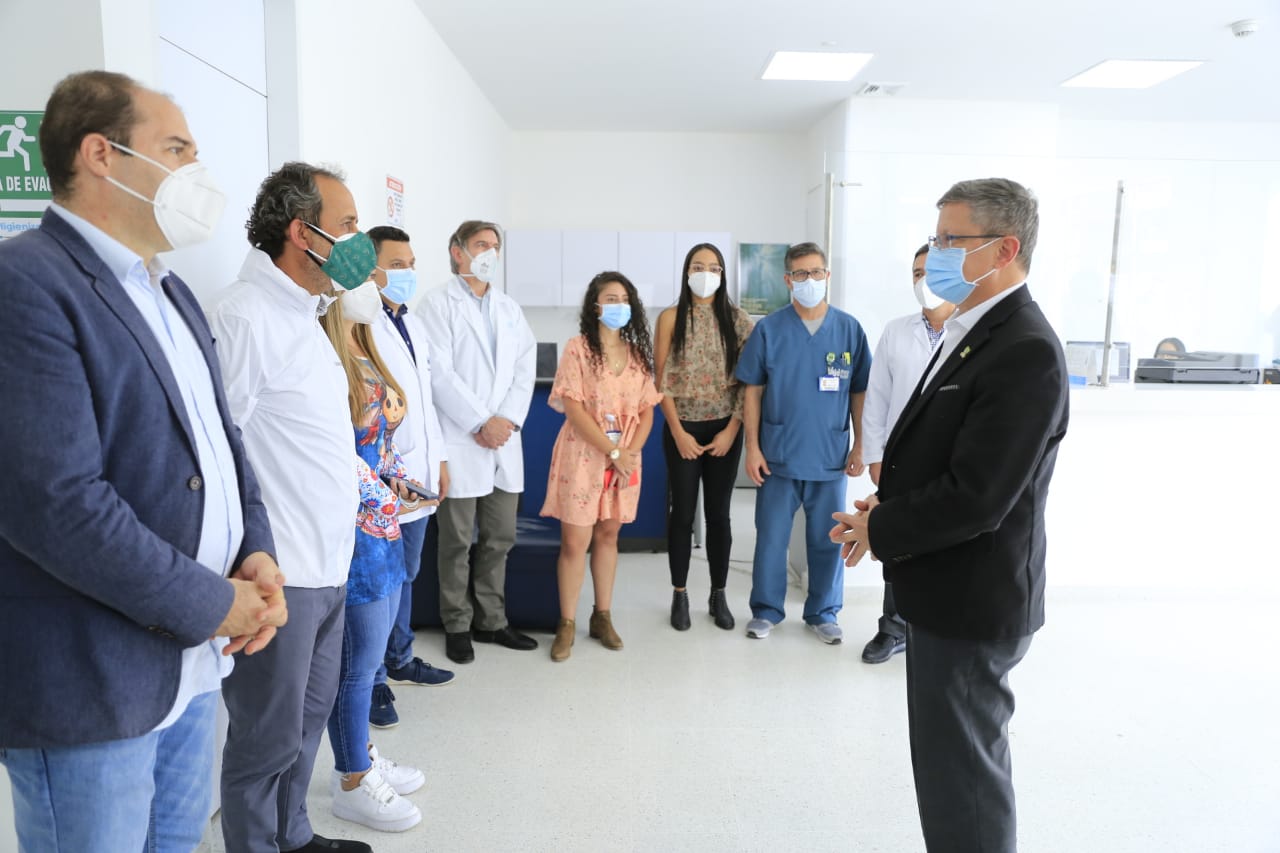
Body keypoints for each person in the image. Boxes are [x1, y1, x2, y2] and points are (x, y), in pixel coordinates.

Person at [0, 70, 284, 852]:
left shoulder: (171, 290)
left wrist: (254, 550)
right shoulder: (25, 282)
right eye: (177, 148)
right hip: (92, 680)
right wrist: (212, 600)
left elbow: (222, 443)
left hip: (188, 667)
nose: (197, 169)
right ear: (102, 154)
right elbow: (55, 503)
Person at [830, 178, 1068, 853]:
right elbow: (947, 454)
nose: (935, 255)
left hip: (973, 599)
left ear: (1005, 249)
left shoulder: (1023, 348)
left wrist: (881, 528)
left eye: (950, 240)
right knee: (946, 771)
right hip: (943, 590)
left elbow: (979, 495)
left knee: (964, 781)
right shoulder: (972, 332)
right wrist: (887, 506)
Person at [211, 162, 374, 853]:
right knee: (265, 735)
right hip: (281, 570)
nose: (358, 241)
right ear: (302, 232)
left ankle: (293, 835)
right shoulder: (243, 316)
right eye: (347, 225)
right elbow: (215, 451)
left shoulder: (306, 315)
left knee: (305, 723)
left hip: (329, 561)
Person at [319, 284, 429, 832]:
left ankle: (360, 751)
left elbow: (380, 444)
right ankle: (352, 781)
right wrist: (383, 495)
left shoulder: (367, 346)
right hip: (355, 532)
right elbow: (336, 451)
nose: (373, 288)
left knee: (372, 654)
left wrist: (401, 482)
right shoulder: (324, 353)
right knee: (356, 664)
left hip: (384, 527)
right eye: (360, 279)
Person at [735, 241, 872, 644]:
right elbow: (752, 391)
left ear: (827, 276)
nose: (808, 280)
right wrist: (752, 448)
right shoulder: (769, 330)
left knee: (828, 539)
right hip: (778, 456)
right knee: (771, 540)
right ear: (787, 280)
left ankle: (824, 613)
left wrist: (861, 445)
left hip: (830, 456)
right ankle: (766, 611)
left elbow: (860, 392)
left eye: (815, 272)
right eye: (800, 273)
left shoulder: (848, 330)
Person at [416, 220, 538, 664]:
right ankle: (457, 624)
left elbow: (524, 369)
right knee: (456, 542)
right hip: (461, 438)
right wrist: (481, 422)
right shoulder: (436, 305)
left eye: (495, 246)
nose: (490, 253)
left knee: (500, 537)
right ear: (457, 251)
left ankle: (492, 621)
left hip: (503, 439)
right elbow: (438, 374)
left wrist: (504, 421)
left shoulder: (509, 308)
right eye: (481, 244)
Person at [541, 272, 662, 661]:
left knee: (609, 536)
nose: (618, 306)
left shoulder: (637, 356)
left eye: (624, 299)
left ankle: (602, 617)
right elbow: (573, 408)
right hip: (584, 455)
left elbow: (647, 411)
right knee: (575, 542)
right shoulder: (578, 349)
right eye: (611, 299)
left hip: (624, 460)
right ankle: (566, 624)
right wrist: (612, 452)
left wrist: (629, 454)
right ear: (595, 306)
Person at [366, 225, 454, 730]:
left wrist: (439, 459)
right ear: (372, 269)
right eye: (397, 265)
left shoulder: (411, 324)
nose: (408, 273)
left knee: (406, 573)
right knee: (382, 582)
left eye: (411, 264)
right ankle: (375, 677)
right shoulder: (361, 325)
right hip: (385, 477)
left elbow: (425, 403)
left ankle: (400, 657)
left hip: (420, 474)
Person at [857, 244, 954, 664]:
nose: (923, 281)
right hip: (899, 462)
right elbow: (876, 399)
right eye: (916, 273)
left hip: (950, 462)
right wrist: (875, 458)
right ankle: (893, 629)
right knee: (896, 542)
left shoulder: (971, 331)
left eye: (931, 272)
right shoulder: (896, 332)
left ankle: (937, 630)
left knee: (946, 543)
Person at [654, 243, 753, 631]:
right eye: (698, 266)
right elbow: (660, 380)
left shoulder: (738, 319)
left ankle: (718, 594)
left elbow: (750, 380)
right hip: (682, 428)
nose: (705, 273)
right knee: (681, 513)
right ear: (686, 272)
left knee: (719, 514)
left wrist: (732, 429)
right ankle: (679, 594)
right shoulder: (670, 318)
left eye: (713, 267)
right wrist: (677, 432)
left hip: (724, 429)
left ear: (723, 274)